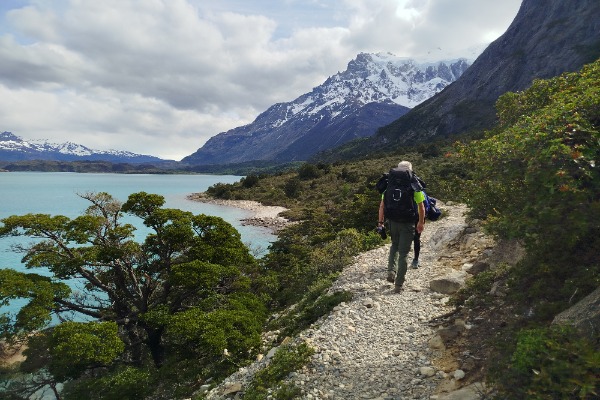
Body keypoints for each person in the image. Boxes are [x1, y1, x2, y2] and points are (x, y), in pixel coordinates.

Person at [378, 161, 425, 293]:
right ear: (410, 171)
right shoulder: (413, 184)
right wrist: (421, 223)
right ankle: (398, 285)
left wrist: (380, 223)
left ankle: (391, 271)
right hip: (407, 222)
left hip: (392, 221)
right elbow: (421, 207)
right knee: (404, 252)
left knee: (394, 245)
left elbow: (382, 205)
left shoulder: (389, 184)